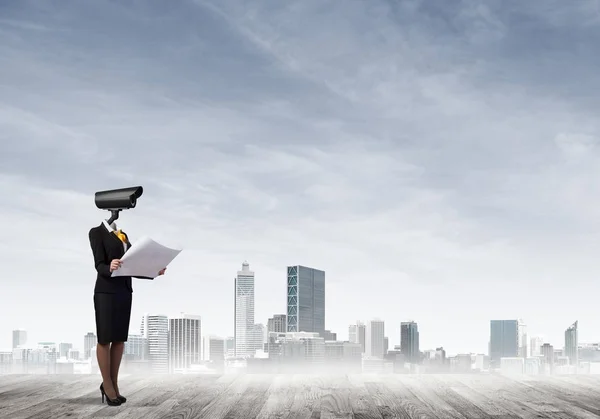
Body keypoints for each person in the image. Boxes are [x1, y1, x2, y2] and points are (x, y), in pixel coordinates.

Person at [89, 219, 166, 406]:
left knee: (119, 340)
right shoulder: (96, 232)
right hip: (106, 292)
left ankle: (114, 384)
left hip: (124, 292)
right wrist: (109, 266)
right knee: (104, 339)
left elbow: (133, 267)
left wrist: (154, 272)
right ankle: (106, 384)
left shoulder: (124, 237)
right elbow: (98, 264)